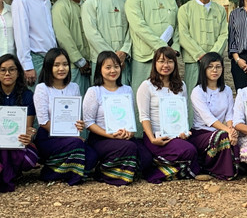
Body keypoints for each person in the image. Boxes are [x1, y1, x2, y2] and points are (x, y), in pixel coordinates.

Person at [82, 51, 150, 186]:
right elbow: (88, 122)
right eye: (108, 67)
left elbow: (130, 117)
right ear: (99, 69)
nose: (113, 71)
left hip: (124, 136)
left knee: (146, 158)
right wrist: (110, 135)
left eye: (116, 66)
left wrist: (130, 133)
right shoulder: (94, 91)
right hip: (101, 137)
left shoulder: (127, 90)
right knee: (128, 148)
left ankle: (120, 168)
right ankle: (104, 172)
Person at [137, 46, 199, 182]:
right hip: (157, 136)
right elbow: (144, 116)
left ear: (175, 64)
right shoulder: (147, 86)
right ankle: (159, 166)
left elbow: (182, 112)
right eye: (161, 61)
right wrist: (152, 139)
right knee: (188, 151)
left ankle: (164, 166)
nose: (166, 65)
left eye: (170, 61)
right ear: (155, 64)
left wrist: (183, 132)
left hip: (176, 135)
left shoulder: (181, 85)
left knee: (193, 150)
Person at [33, 47, 94, 184]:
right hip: (48, 137)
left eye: (65, 64)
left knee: (92, 156)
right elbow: (43, 122)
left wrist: (79, 125)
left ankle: (58, 171)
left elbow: (75, 117)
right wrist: (71, 135)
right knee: (77, 145)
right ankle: (58, 174)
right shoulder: (42, 88)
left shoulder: (74, 87)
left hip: (71, 137)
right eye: (56, 65)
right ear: (48, 67)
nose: (61, 68)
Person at [125, 0, 180, 97]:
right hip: (144, 57)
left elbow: (177, 25)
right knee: (141, 96)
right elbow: (139, 27)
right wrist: (162, 47)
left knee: (167, 94)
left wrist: (175, 48)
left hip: (167, 58)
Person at [0, 54, 39, 192]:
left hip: (18, 141)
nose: (7, 73)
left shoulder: (27, 95)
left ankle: (9, 174)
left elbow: (28, 127)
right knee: (3, 149)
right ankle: (7, 177)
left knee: (29, 160)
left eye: (12, 69)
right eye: (3, 70)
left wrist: (29, 134)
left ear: (18, 72)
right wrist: (4, 137)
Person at [178, 0, 228, 98]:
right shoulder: (185, 9)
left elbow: (224, 34)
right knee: (192, 96)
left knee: (215, 95)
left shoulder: (220, 10)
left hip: (214, 63)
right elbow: (183, 35)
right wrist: (200, 55)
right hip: (193, 61)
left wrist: (212, 56)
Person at [81, 0, 132, 85]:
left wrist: (124, 51)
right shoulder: (90, 3)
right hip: (101, 59)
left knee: (123, 91)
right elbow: (92, 34)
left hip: (122, 60)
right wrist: (112, 57)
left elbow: (131, 30)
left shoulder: (124, 2)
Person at [189, 52, 238, 180]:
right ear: (203, 69)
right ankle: (214, 169)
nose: (214, 70)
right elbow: (208, 118)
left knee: (232, 136)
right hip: (201, 133)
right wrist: (228, 130)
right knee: (222, 136)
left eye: (218, 67)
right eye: (210, 67)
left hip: (221, 130)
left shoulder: (227, 90)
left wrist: (231, 129)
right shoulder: (198, 91)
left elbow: (230, 114)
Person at [12, 0, 57, 87]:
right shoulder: (22, 0)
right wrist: (27, 66)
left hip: (50, 58)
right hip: (34, 58)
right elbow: (21, 34)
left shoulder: (47, 1)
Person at [51, 0, 92, 95]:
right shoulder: (60, 7)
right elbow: (63, 37)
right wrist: (79, 61)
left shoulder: (86, 4)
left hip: (89, 64)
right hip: (73, 65)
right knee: (74, 100)